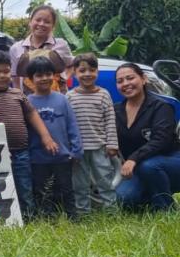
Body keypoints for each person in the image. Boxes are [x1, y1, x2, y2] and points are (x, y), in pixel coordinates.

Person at [0, 51, 58, 221]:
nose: (2, 76)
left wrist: (46, 136)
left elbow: (32, 115)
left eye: (6, 71)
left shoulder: (18, 94)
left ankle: (29, 218)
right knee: (0, 187)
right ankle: (5, 220)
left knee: (24, 186)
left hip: (21, 152)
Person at [114, 63, 180, 212]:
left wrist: (133, 159)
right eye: (120, 81)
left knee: (149, 166)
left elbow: (161, 140)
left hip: (170, 160)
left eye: (130, 78)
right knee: (124, 199)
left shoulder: (161, 107)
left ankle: (165, 209)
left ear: (143, 79)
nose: (126, 84)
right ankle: (152, 195)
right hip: (138, 167)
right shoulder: (116, 110)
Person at [26, 57, 83, 218]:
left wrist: (76, 150)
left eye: (48, 74)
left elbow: (72, 125)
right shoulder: (27, 102)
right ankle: (47, 219)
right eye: (39, 75)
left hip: (62, 156)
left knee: (66, 189)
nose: (44, 78)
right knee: (42, 191)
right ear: (30, 80)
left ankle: (72, 218)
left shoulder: (62, 99)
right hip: (38, 158)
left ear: (55, 76)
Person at [66, 53, 119, 214]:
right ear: (75, 72)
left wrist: (112, 144)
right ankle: (83, 214)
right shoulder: (69, 96)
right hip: (78, 150)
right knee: (80, 184)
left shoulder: (104, 94)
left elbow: (110, 120)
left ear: (97, 72)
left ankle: (111, 212)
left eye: (92, 70)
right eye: (82, 70)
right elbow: (68, 125)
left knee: (105, 182)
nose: (87, 74)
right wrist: (70, 148)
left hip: (100, 147)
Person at [9, 5, 73, 94]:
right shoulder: (16, 48)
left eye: (47, 22)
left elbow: (71, 65)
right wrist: (20, 99)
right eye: (38, 20)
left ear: (53, 26)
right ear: (30, 22)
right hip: (29, 101)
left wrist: (64, 78)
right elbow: (15, 77)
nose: (41, 24)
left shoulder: (61, 44)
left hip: (58, 98)